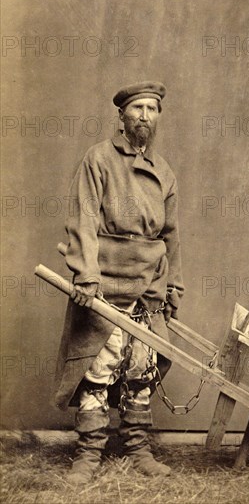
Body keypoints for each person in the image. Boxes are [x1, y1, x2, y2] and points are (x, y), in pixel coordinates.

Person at [54, 81, 184, 485]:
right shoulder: (98, 160)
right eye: (138, 108)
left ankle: (138, 449)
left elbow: (172, 236)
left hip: (148, 286)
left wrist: (173, 286)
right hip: (105, 282)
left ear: (159, 116)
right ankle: (88, 454)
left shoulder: (164, 173)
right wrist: (87, 276)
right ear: (122, 116)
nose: (145, 116)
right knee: (98, 365)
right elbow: (84, 219)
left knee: (139, 369)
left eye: (152, 109)